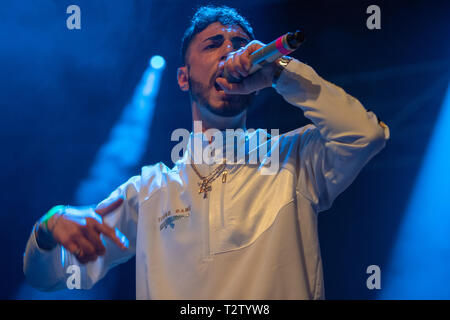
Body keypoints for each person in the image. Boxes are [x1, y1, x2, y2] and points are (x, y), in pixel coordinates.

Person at [23, 5, 389, 299]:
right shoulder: (150, 190)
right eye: (213, 44)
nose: (230, 52)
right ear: (183, 77)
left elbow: (365, 135)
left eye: (241, 45)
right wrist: (48, 228)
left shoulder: (293, 157)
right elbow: (50, 277)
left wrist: (280, 72)